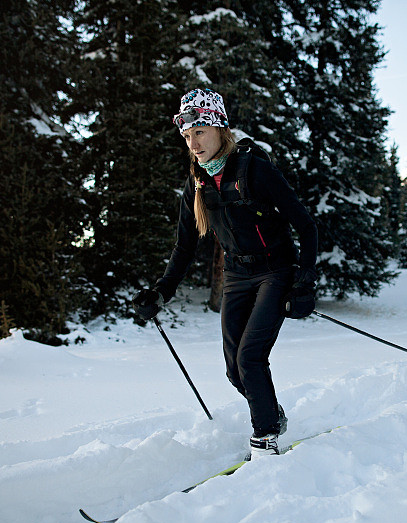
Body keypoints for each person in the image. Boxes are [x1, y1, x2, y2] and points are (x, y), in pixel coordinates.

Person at [133, 88, 318, 457]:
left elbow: (306, 224)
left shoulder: (254, 168)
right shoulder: (198, 182)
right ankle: (272, 415)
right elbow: (184, 246)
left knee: (250, 357)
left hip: (274, 271)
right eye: (187, 136)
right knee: (235, 371)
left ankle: (265, 437)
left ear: (219, 127)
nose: (193, 143)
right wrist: (160, 292)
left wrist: (305, 281)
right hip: (237, 275)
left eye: (199, 131)